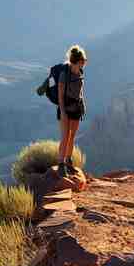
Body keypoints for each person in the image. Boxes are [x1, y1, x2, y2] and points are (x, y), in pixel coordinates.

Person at [57, 45, 87, 177]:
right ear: (76, 61)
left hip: (76, 108)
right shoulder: (65, 74)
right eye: (82, 61)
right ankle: (61, 165)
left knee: (72, 136)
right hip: (65, 109)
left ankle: (69, 162)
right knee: (65, 137)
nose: (84, 63)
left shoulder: (80, 72)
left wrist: (82, 105)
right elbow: (60, 95)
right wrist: (63, 112)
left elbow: (80, 91)